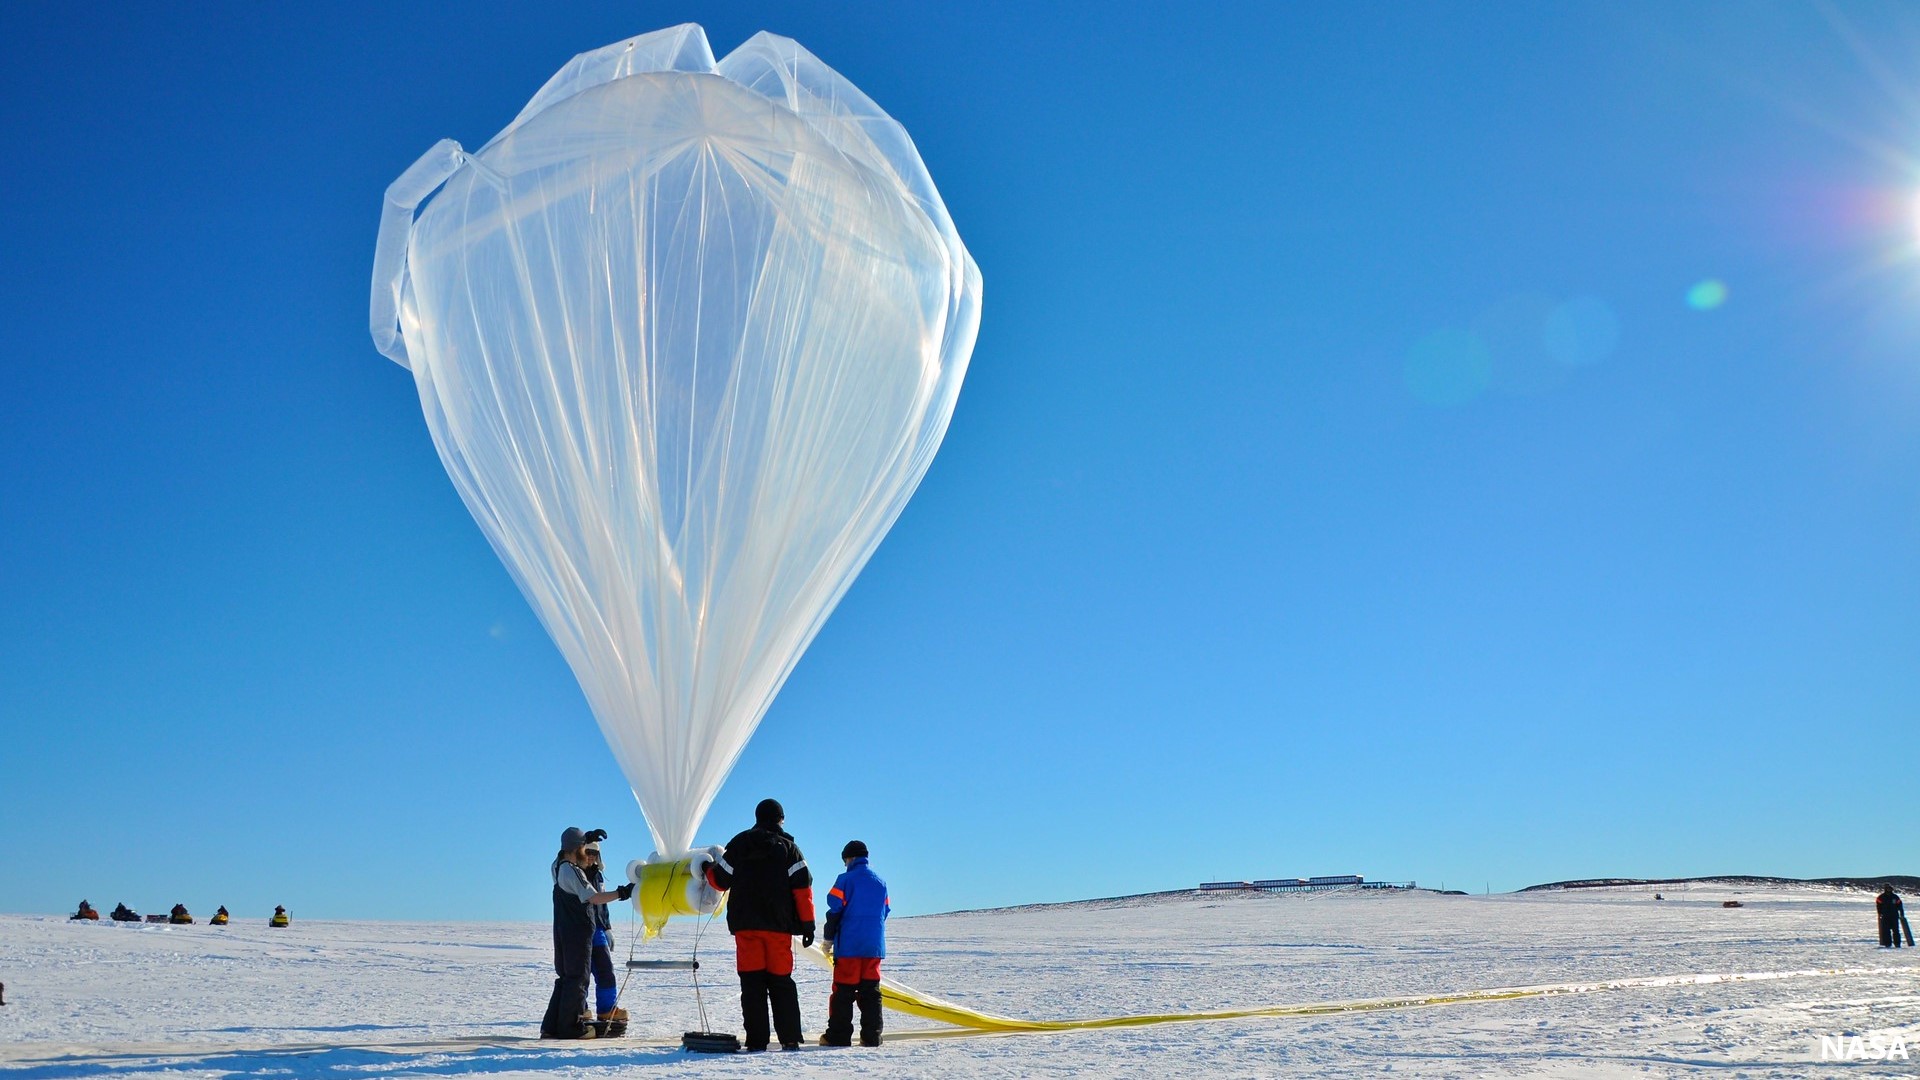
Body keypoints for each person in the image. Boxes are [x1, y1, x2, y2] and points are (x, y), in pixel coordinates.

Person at [704, 799, 814, 1051]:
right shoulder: (790, 849)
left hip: (746, 929)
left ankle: (756, 1041)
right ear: (781, 820)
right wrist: (808, 926)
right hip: (778, 929)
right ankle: (789, 1039)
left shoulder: (740, 843)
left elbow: (720, 881)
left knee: (752, 983)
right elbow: (802, 891)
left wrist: (708, 868)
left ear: (756, 818)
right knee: (781, 982)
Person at [544, 827, 632, 1040]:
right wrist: (622, 893)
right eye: (584, 847)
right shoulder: (572, 870)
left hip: (563, 931)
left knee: (565, 978)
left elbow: (568, 855)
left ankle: (551, 1027)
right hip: (578, 932)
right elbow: (593, 898)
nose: (587, 851)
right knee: (578, 978)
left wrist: (586, 838)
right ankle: (572, 1027)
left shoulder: (557, 866)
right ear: (576, 848)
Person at [820, 840, 889, 1048]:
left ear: (849, 858)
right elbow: (885, 912)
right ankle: (872, 1036)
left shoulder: (845, 880)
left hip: (849, 947)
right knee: (871, 992)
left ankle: (838, 1036)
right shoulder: (881, 882)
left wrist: (828, 939)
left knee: (843, 992)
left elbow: (834, 911)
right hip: (873, 948)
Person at [582, 841, 626, 1031]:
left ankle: (607, 1009)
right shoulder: (576, 872)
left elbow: (602, 904)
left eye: (594, 853)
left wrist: (607, 927)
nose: (591, 856)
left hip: (598, 928)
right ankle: (579, 1007)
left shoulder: (597, 875)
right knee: (580, 972)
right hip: (581, 928)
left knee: (605, 969)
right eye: (587, 851)